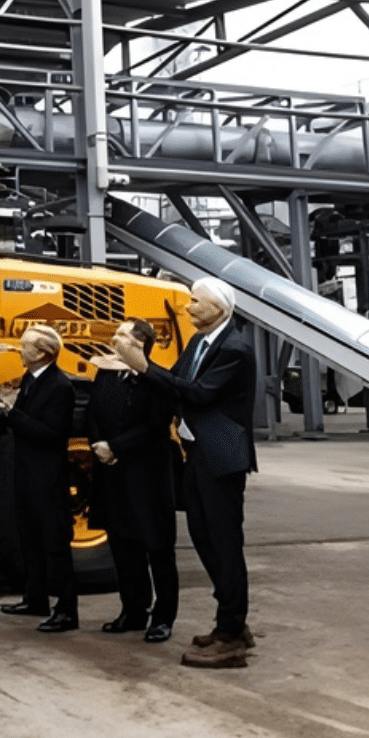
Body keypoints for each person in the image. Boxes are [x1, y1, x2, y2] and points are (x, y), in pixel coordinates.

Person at [110, 277, 257, 669]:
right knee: (203, 537)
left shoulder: (234, 349)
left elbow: (198, 394)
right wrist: (134, 371)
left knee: (223, 542)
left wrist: (143, 366)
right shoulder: (200, 342)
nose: (188, 308)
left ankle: (230, 636)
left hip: (222, 453)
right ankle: (231, 621)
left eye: (195, 302)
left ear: (220, 309)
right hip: (199, 451)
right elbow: (174, 383)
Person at [85, 319, 179, 644]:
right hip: (113, 472)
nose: (115, 338)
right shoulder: (106, 374)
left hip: (147, 474)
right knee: (123, 544)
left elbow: (156, 427)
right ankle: (133, 610)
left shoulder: (159, 380)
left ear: (140, 343)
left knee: (157, 547)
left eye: (122, 334)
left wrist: (116, 447)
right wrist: (98, 445)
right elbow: (93, 413)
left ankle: (163, 617)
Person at [0, 324, 78, 633]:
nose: (19, 350)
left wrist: (10, 413)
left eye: (25, 346)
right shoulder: (31, 380)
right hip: (26, 473)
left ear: (42, 353)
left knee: (54, 543)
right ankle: (35, 597)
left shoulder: (60, 387)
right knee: (30, 538)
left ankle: (66, 610)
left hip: (48, 478)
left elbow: (51, 433)